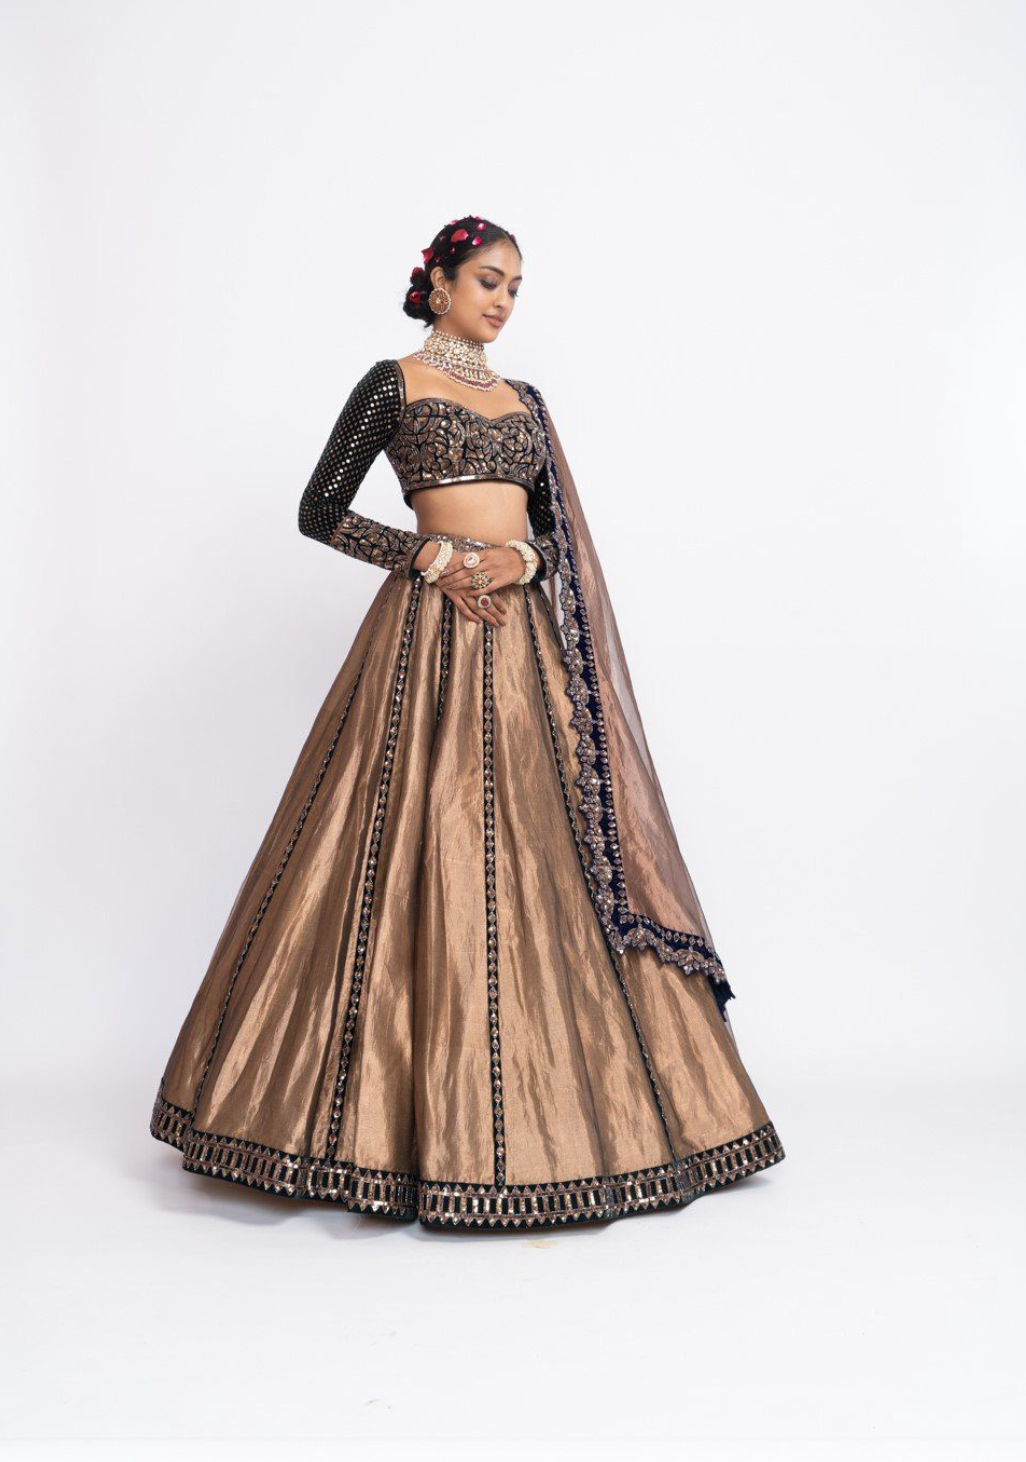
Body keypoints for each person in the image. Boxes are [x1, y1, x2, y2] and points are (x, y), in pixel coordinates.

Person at [150, 213, 785, 1230]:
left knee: (549, 852)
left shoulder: (527, 401)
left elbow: (557, 535)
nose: (502, 300)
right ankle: (378, 1131)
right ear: (438, 283)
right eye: (488, 280)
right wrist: (435, 558)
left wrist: (518, 561)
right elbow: (319, 510)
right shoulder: (392, 384)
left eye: (515, 287)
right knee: (400, 842)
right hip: (423, 640)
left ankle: (584, 1114)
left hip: (522, 642)